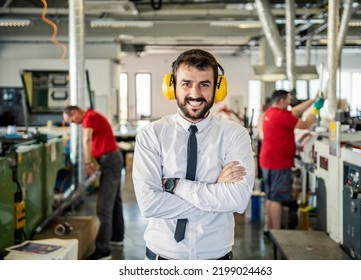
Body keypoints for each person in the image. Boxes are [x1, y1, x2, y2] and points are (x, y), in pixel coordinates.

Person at [132, 49, 255, 260]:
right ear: (172, 88)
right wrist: (215, 194)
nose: (195, 93)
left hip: (217, 258)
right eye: (186, 83)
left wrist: (176, 185)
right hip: (160, 258)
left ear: (218, 89)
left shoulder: (235, 135)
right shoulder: (151, 135)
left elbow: (238, 199)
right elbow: (149, 204)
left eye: (204, 84)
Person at [63, 105, 124, 260]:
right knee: (115, 201)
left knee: (103, 207)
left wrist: (87, 163)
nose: (74, 124)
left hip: (110, 161)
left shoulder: (89, 117)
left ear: (75, 112)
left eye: (72, 120)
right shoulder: (92, 116)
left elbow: (87, 138)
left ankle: (103, 251)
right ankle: (117, 238)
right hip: (112, 159)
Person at [259, 89, 325, 231]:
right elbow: (306, 124)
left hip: (266, 160)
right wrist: (316, 108)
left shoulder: (271, 112)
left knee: (270, 196)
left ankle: (268, 227)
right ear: (282, 102)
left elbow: (294, 111)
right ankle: (276, 232)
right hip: (279, 163)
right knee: (277, 198)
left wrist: (312, 100)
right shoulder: (283, 116)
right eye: (288, 100)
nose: (290, 103)